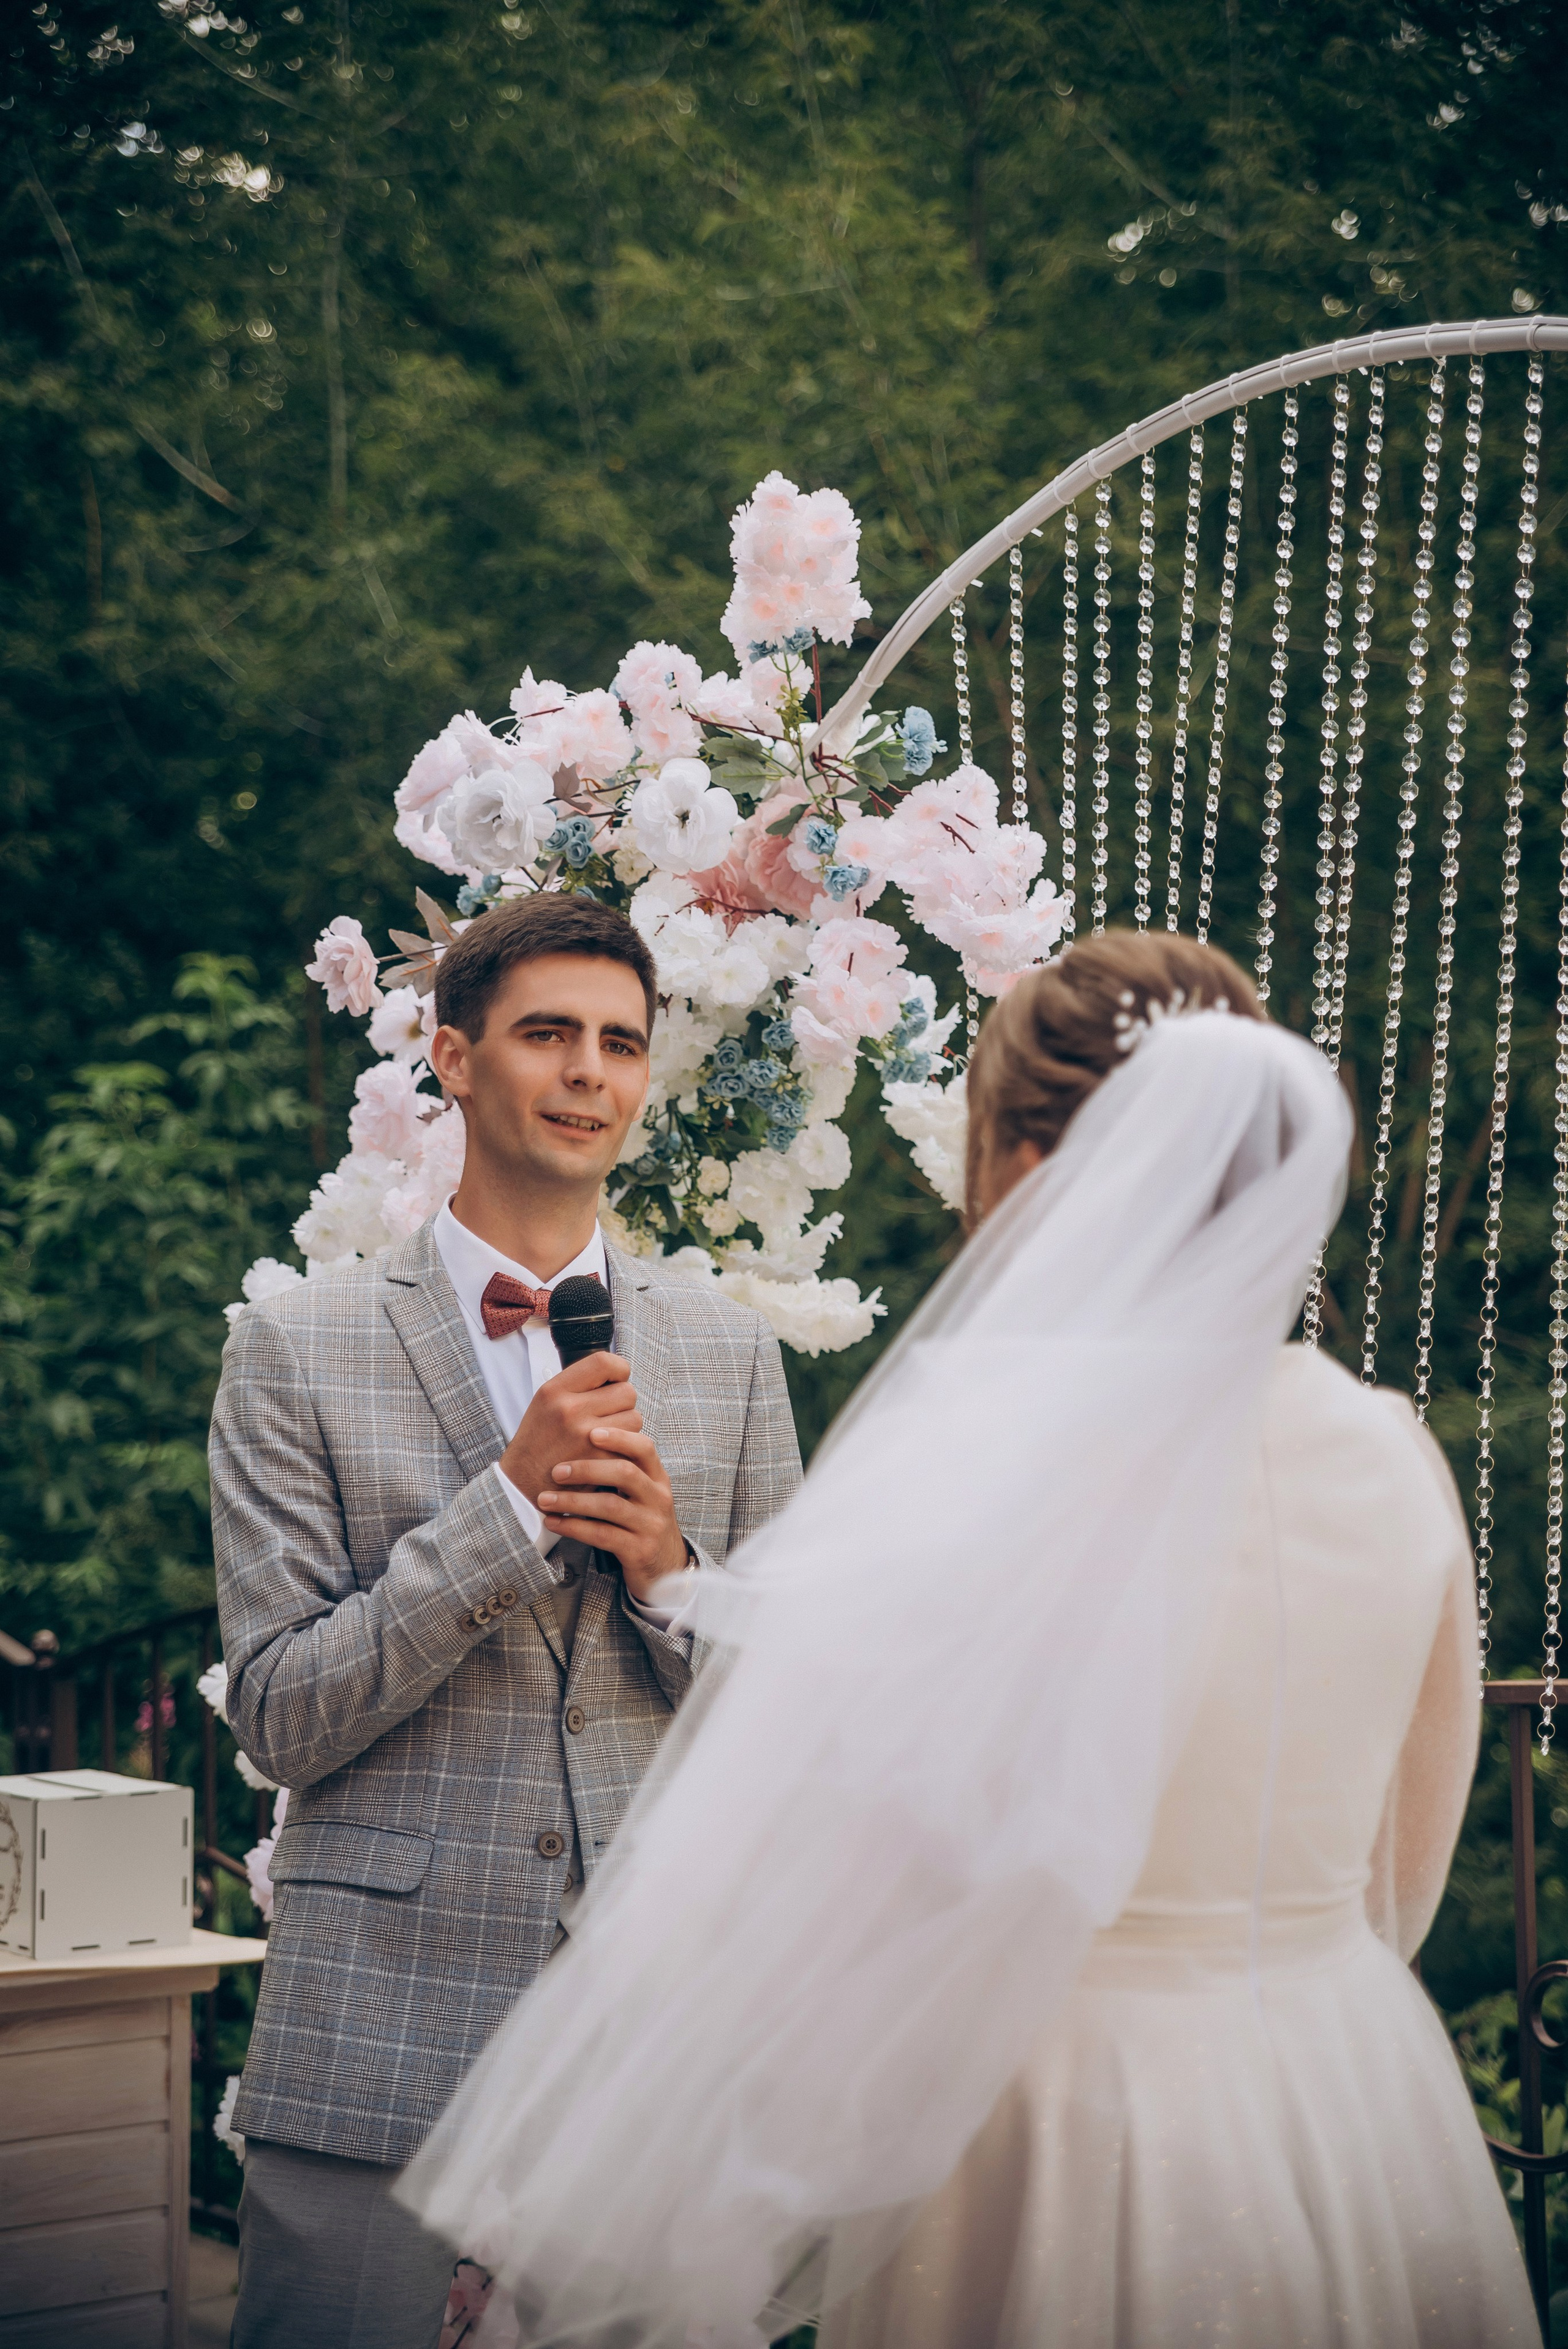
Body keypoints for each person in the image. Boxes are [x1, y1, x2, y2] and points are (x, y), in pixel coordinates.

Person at [401, 930, 1536, 2349]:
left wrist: (553, 2240)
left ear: (1011, 1164)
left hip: (1053, 2132)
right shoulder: (1387, 1454)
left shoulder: (992, 1464)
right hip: (1348, 2091)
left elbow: (809, 1901)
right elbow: (1403, 1861)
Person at [209, 891, 801, 2349]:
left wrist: (673, 1574)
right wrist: (506, 1509)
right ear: (453, 1056)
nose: (588, 1069)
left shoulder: (729, 1357)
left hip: (651, 2063)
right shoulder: (294, 1347)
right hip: (380, 2060)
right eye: (546, 1033)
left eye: (618, 1041)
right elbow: (280, 1714)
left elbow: (796, 1726)